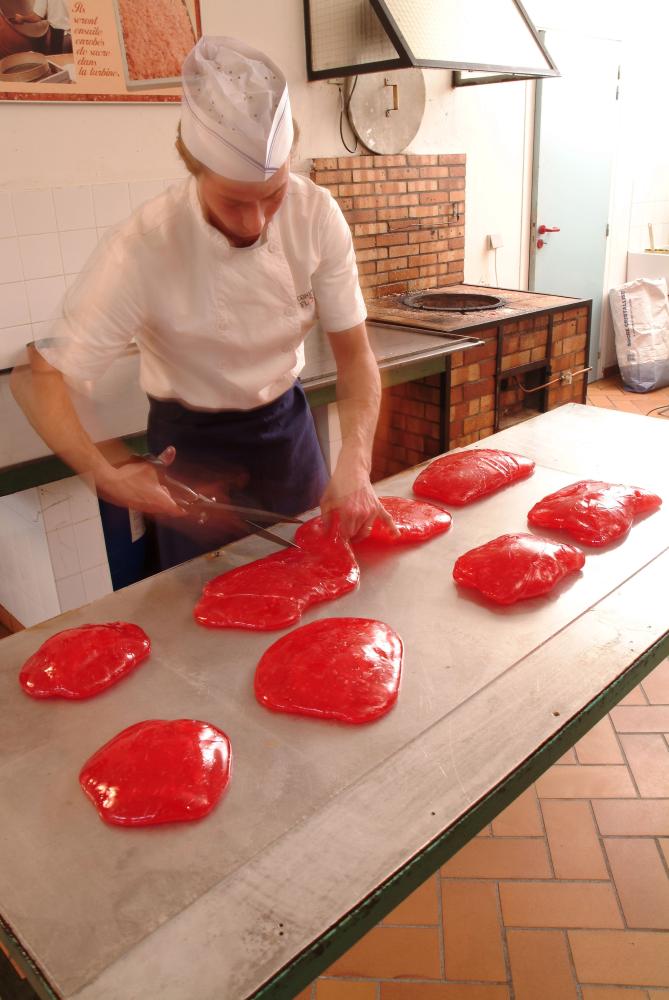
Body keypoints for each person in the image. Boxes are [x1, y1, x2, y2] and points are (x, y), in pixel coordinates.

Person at [11, 35, 393, 571]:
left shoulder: (317, 214)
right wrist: (110, 473)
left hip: (288, 433)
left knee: (317, 582)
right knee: (206, 602)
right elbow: (42, 380)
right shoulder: (145, 245)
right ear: (195, 167)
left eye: (273, 196)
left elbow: (355, 356)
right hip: (191, 457)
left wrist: (355, 460)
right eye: (234, 202)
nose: (255, 222)